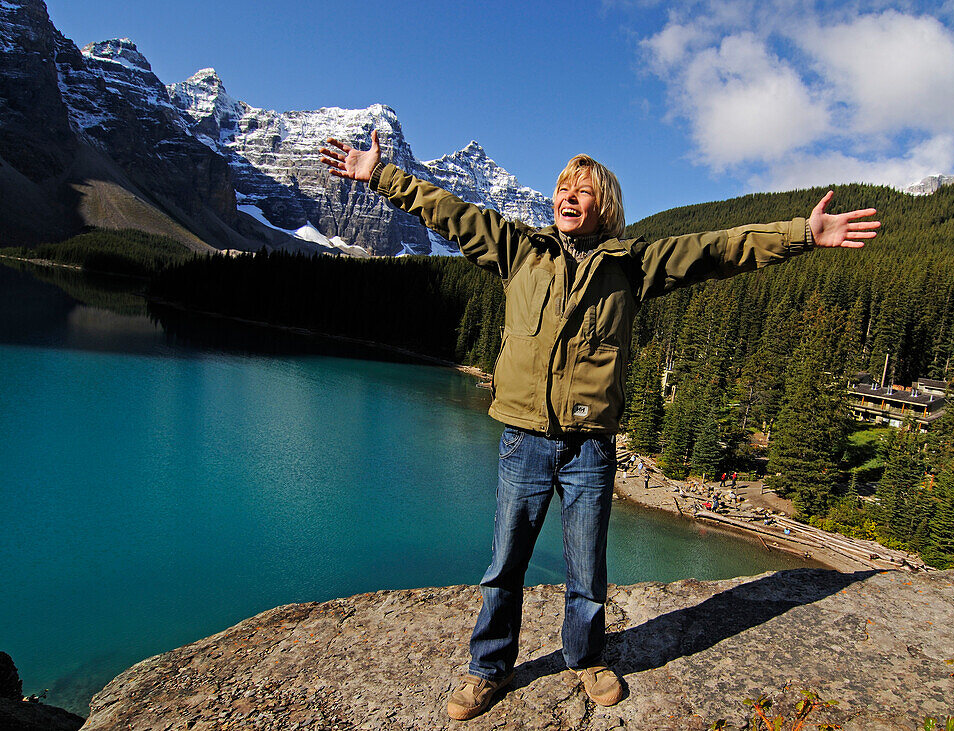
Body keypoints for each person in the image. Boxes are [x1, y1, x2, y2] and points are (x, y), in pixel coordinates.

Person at [319, 131, 879, 721]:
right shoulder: (518, 250)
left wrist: (802, 235)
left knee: (587, 565)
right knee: (505, 563)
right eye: (563, 187)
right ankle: (488, 668)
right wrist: (379, 175)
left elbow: (717, 249)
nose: (569, 196)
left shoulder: (631, 267)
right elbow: (449, 214)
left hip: (590, 445)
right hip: (525, 438)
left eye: (582, 191)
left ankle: (585, 658)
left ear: (603, 206)